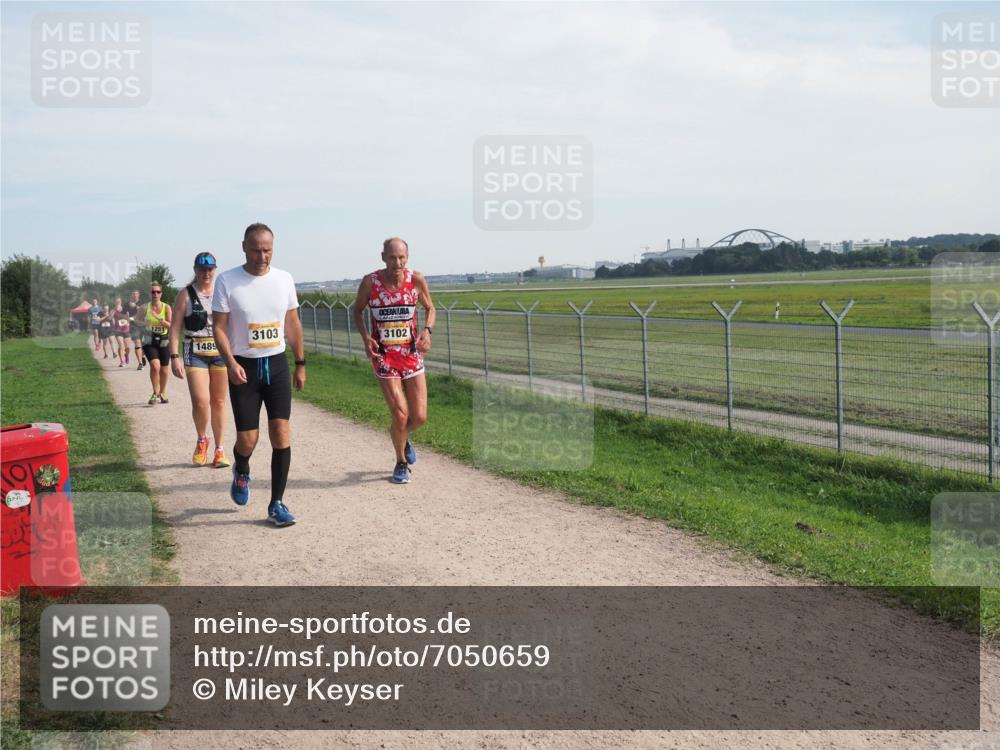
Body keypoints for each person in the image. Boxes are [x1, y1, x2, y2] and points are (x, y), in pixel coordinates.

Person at [212, 223, 305, 527]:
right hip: (244, 368)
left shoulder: (284, 279)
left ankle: (276, 503)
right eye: (256, 250)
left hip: (276, 365)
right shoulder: (227, 281)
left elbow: (292, 323)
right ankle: (241, 469)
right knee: (247, 440)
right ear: (244, 247)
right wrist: (229, 361)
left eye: (267, 250)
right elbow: (219, 328)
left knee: (281, 433)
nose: (262, 256)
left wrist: (300, 363)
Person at [352, 237, 435, 484]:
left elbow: (431, 308)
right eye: (392, 257)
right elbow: (356, 310)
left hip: (411, 354)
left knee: (419, 417)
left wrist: (427, 332)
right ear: (383, 257)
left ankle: (401, 436)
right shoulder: (371, 282)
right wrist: (366, 337)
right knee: (400, 415)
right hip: (384, 356)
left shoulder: (416, 279)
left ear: (407, 257)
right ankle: (400, 462)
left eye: (401, 257)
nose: (396, 262)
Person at [168, 252, 230, 468]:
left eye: (210, 269)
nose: (206, 273)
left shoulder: (222, 292)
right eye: (202, 269)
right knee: (201, 401)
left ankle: (220, 450)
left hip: (220, 353)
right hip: (195, 351)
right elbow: (175, 327)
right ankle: (202, 439)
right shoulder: (185, 295)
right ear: (195, 270)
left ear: (215, 269)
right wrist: (174, 356)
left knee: (219, 402)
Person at [141, 282, 172, 405]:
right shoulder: (144, 307)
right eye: (153, 292)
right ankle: (155, 392)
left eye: (158, 292)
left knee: (164, 369)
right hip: (149, 340)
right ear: (150, 294)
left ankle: (163, 392)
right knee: (155, 366)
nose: (155, 294)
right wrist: (144, 323)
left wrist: (159, 318)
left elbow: (170, 325)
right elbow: (136, 321)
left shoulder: (166, 307)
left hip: (163, 340)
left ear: (161, 294)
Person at [127, 290, 147, 370]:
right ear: (132, 295)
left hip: (143, 325)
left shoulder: (143, 303)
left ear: (139, 295)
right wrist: (127, 317)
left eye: (136, 294)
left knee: (144, 344)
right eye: (133, 294)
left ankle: (142, 356)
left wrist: (138, 308)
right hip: (133, 326)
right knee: (137, 343)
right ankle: (140, 363)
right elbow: (123, 314)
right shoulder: (127, 304)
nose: (135, 296)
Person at [111, 297, 131, 367]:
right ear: (114, 302)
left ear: (121, 302)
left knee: (128, 347)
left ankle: (126, 355)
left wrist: (128, 323)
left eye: (119, 301)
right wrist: (113, 311)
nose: (118, 302)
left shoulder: (125, 309)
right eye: (116, 301)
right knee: (121, 345)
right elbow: (109, 318)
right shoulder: (113, 310)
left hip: (126, 329)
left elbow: (128, 317)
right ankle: (122, 361)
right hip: (118, 330)